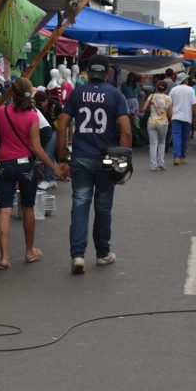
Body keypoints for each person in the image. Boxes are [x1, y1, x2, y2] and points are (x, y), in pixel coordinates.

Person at [56, 58, 132, 274]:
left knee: (80, 205)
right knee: (103, 207)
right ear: (107, 73)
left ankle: (77, 255)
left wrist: (62, 160)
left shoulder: (77, 93)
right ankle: (102, 253)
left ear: (88, 72)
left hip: (81, 157)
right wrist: (123, 164)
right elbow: (126, 131)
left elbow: (62, 126)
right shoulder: (116, 95)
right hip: (107, 159)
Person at [0, 78, 65, 270]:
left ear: (12, 93)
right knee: (28, 208)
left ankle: (4, 257)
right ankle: (29, 250)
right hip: (26, 168)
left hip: (4, 166)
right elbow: (37, 148)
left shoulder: (1, 112)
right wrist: (55, 168)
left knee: (5, 209)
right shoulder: (32, 116)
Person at [169, 73, 196, 165]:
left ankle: (176, 157)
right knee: (184, 138)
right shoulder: (190, 89)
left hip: (176, 117)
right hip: (187, 118)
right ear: (185, 80)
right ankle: (183, 157)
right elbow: (194, 105)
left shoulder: (173, 90)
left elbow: (169, 103)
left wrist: (170, 115)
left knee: (176, 137)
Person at [34, 90, 63, 188]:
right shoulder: (37, 107)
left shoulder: (56, 106)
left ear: (46, 100)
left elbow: (61, 123)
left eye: (40, 103)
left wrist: (62, 137)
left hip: (55, 130)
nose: (39, 105)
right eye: (37, 104)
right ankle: (47, 176)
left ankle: (49, 179)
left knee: (47, 152)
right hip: (42, 130)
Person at [142, 81, 173, 171]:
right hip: (163, 123)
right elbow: (170, 113)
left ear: (157, 87)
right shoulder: (168, 98)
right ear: (165, 89)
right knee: (162, 142)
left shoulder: (151, 96)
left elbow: (144, 108)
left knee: (153, 144)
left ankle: (153, 165)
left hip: (151, 122)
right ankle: (161, 163)